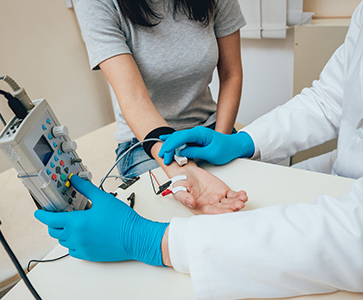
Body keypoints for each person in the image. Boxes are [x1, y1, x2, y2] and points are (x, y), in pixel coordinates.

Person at [35, 2, 363, 300]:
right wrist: (229, 150)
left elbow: (349, 236)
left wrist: (148, 240)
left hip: (208, 131)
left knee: (237, 212)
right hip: (147, 143)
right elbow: (332, 97)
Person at [71, 0, 249, 213]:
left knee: (250, 207)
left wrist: (221, 140)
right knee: (177, 223)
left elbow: (231, 73)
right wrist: (181, 171)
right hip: (146, 142)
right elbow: (134, 98)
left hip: (209, 129)